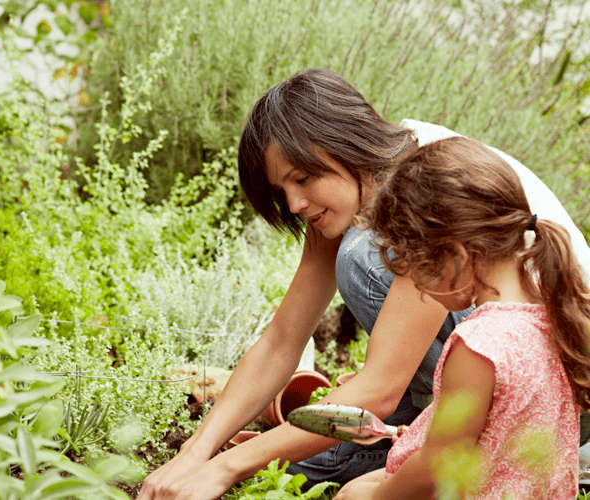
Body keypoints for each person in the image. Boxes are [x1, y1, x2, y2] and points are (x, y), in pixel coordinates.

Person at [135, 68, 590, 500]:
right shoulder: (354, 180)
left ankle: (428, 431)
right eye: (281, 190)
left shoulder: (425, 190)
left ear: (343, 144)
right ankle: (405, 436)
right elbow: (282, 340)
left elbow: (380, 387)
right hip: (529, 382)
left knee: (358, 256)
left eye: (302, 178)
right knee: (305, 470)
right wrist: (196, 452)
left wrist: (225, 468)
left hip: (551, 401)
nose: (293, 203)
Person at [333, 136, 590, 500]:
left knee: (353, 492)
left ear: (454, 255)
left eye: (415, 269)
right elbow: (504, 425)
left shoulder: (479, 346)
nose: (419, 290)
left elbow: (438, 469)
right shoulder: (554, 314)